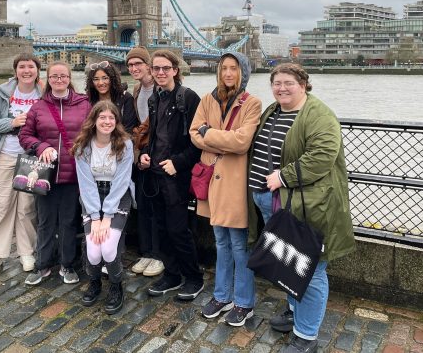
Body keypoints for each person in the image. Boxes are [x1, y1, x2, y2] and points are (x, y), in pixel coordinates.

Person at [248, 63, 355, 353]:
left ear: (304, 84)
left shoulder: (319, 115)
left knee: (312, 268)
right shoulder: (274, 110)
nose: (282, 88)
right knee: (289, 263)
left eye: (288, 83)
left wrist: (283, 176)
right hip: (274, 203)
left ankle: (306, 336)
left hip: (308, 206)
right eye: (277, 83)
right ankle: (295, 310)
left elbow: (322, 156)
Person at [190, 52, 262, 327]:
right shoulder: (208, 99)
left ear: (243, 72)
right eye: (224, 69)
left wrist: (209, 135)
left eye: (234, 68)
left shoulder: (252, 103)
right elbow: (193, 133)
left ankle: (244, 303)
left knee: (239, 245)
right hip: (211, 181)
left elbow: (242, 142)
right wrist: (218, 139)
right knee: (220, 242)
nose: (228, 73)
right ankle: (222, 296)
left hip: (234, 184)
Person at [18, 60, 91, 285]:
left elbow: (93, 133)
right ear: (47, 80)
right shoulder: (39, 106)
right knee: (45, 221)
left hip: (73, 174)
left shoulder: (84, 104)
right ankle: (43, 265)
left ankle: (67, 265)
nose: (59, 80)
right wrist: (41, 147)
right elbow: (25, 135)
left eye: (63, 76)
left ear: (70, 78)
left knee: (69, 221)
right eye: (54, 77)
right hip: (44, 175)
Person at [139, 49, 203, 300]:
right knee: (161, 228)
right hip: (154, 174)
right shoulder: (154, 98)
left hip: (177, 176)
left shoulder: (189, 98)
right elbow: (154, 136)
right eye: (156, 69)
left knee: (179, 229)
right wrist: (144, 153)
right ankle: (172, 274)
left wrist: (178, 163)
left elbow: (198, 141)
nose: (161, 72)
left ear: (175, 70)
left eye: (166, 68)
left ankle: (194, 277)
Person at [0, 54, 43, 275]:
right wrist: (12, 123)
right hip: (6, 155)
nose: (27, 71)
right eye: (22, 67)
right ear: (15, 70)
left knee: (27, 207)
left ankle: (27, 251)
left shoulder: (43, 94)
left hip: (31, 157)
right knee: (1, 205)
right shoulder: (3, 92)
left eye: (31, 67)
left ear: (38, 70)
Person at [72, 101, 134, 314]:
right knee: (94, 253)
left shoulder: (125, 144)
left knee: (108, 248)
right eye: (102, 118)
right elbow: (86, 183)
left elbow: (122, 181)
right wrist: (95, 217)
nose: (107, 122)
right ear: (94, 120)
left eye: (111, 118)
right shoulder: (83, 146)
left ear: (116, 122)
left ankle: (116, 286)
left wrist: (107, 216)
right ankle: (95, 282)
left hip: (118, 196)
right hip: (92, 197)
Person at [126, 46, 164, 277]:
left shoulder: (162, 89)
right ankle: (146, 252)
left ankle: (159, 255)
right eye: (130, 65)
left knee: (158, 206)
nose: (134, 68)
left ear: (149, 65)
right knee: (143, 204)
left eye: (138, 64)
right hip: (142, 153)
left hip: (159, 155)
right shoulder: (137, 89)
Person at [84, 60, 137, 133]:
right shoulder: (87, 100)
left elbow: (129, 129)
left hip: (120, 142)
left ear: (112, 79)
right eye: (96, 79)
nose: (101, 83)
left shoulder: (126, 98)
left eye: (105, 78)